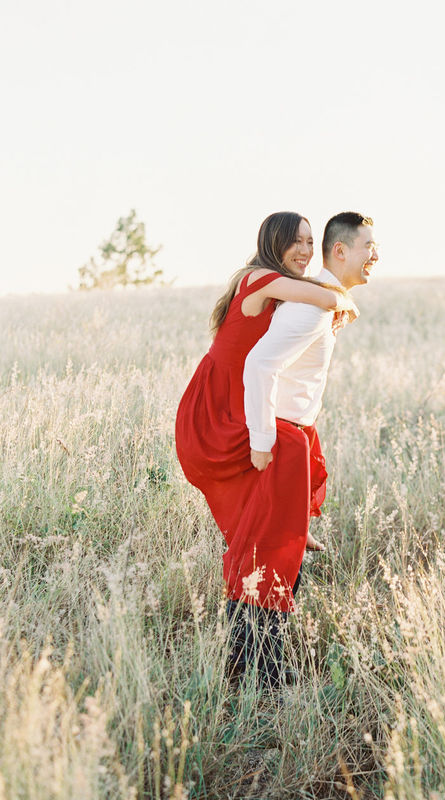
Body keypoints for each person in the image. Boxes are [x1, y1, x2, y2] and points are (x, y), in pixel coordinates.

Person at [175, 212, 356, 687]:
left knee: (262, 520)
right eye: (294, 241)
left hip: (234, 406)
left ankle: (252, 660)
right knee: (263, 519)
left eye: (308, 241)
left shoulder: (268, 284)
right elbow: (322, 294)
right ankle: (258, 663)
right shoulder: (264, 278)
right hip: (216, 413)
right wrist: (342, 303)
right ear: (272, 244)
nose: (303, 250)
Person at [239, 212, 378, 659]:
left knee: (282, 555)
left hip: (291, 436)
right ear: (340, 251)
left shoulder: (323, 302)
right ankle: (260, 673)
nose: (375, 256)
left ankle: (261, 667)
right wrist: (263, 443)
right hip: (278, 439)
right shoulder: (313, 308)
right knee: (271, 558)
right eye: (368, 247)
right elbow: (259, 366)